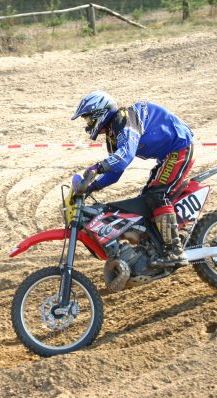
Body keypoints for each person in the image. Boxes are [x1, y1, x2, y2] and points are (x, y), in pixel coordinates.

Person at [72, 90, 195, 268]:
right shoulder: (113, 133)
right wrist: (93, 187)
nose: (88, 124)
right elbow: (116, 171)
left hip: (179, 148)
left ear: (100, 112)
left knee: (157, 195)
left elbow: (125, 156)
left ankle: (175, 251)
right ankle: (159, 245)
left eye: (89, 119)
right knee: (146, 201)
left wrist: (96, 168)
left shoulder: (125, 120)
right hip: (167, 156)